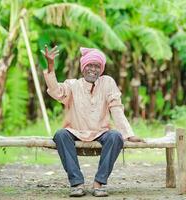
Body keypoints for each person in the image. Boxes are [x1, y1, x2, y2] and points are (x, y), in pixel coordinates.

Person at [43, 45, 144, 197]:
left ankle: (99, 183)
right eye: (89, 65)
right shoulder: (72, 84)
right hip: (75, 131)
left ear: (101, 69)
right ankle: (77, 183)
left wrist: (128, 134)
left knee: (115, 136)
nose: (93, 69)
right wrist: (51, 65)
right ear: (83, 68)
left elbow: (116, 108)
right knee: (60, 135)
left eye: (97, 66)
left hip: (101, 132)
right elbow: (56, 92)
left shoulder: (107, 82)